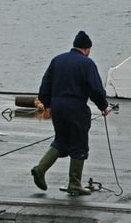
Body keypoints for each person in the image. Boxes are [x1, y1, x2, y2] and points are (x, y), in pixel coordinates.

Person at [31, 30, 110, 196]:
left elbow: (45, 85)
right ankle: (74, 184)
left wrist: (47, 105)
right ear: (87, 49)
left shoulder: (57, 60)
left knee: (61, 141)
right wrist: (103, 106)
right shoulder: (87, 64)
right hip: (76, 108)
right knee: (79, 144)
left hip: (58, 107)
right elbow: (95, 88)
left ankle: (40, 168)